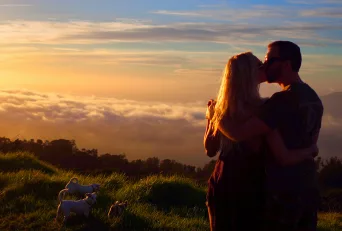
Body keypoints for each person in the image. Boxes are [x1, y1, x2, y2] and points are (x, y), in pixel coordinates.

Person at [204, 51, 318, 231]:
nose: (264, 68)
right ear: (248, 75)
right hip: (251, 185)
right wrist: (310, 150)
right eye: (259, 66)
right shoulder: (264, 109)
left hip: (223, 180)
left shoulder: (220, 109)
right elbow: (281, 154)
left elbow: (210, 149)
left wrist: (212, 117)